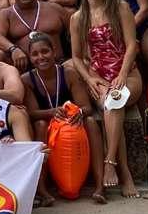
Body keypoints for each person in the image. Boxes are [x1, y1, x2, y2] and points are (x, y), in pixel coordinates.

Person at [71, 0, 141, 196]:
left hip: (127, 73)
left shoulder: (120, 8)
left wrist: (122, 74)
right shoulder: (78, 18)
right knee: (113, 104)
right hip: (99, 76)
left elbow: (132, 45)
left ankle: (110, 163)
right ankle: (124, 173)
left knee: (115, 99)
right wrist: (89, 79)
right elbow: (76, 57)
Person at [21, 31, 107, 204]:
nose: (41, 57)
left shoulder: (68, 74)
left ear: (54, 51)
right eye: (35, 54)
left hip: (70, 124)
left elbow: (86, 107)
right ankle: (42, 189)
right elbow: (32, 113)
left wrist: (78, 113)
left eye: (45, 51)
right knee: (39, 125)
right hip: (47, 125)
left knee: (90, 122)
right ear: (30, 57)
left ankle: (100, 186)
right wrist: (51, 112)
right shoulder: (27, 80)